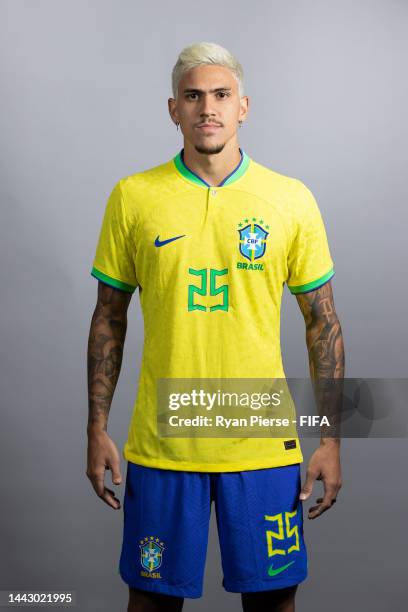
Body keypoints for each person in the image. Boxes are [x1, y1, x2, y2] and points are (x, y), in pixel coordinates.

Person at [86, 41, 344, 612]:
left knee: (274, 602)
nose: (208, 108)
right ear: (173, 109)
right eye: (194, 95)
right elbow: (109, 316)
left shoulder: (289, 199)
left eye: (221, 95)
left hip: (262, 448)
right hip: (163, 445)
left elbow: (321, 322)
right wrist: (96, 427)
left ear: (243, 106)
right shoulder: (134, 197)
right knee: (150, 602)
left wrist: (329, 439)